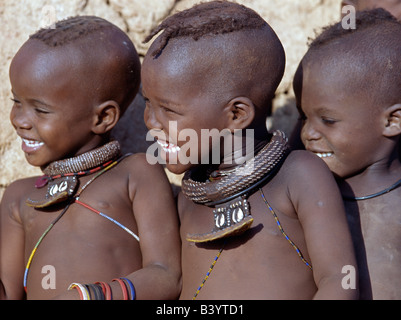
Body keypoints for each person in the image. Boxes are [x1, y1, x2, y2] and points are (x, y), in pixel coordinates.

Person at [141, 0, 358, 300]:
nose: (150, 121)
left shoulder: (299, 176)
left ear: (236, 115)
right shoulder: (192, 195)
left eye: (167, 109)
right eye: (147, 103)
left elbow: (338, 280)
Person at [0, 15, 181, 300]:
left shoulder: (135, 174)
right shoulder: (18, 197)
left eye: (41, 110)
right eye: (16, 102)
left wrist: (89, 297)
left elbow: (166, 275)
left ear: (103, 117)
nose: (20, 120)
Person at [294, 8, 401, 299]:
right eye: (303, 117)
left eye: (327, 120)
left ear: (393, 121)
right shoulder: (298, 192)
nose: (308, 133)